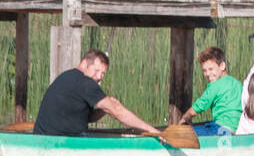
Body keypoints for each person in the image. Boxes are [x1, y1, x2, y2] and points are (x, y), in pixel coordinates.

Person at [33, 50, 161, 137]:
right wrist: (152, 131)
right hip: (57, 142)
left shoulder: (67, 76)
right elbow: (118, 112)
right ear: (84, 64)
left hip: (45, 137)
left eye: (103, 73)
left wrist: (103, 111)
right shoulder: (85, 83)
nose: (99, 77)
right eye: (97, 70)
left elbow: (86, 118)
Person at [176, 46, 243, 135]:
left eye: (211, 69)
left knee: (183, 132)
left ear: (222, 66)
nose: (207, 74)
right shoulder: (238, 84)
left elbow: (199, 106)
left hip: (221, 129)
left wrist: (184, 118)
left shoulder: (215, 85)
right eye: (204, 70)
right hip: (238, 129)